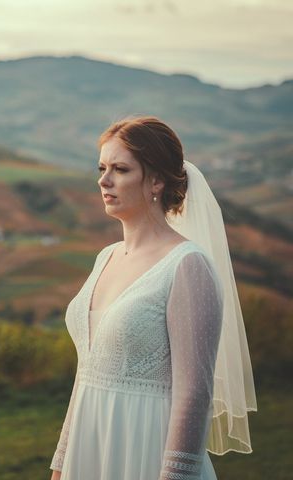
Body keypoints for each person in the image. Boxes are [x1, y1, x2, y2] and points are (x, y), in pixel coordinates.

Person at [50, 116, 256, 480]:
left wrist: (173, 475)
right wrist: (62, 464)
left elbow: (194, 393)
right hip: (89, 449)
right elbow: (86, 376)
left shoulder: (187, 266)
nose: (104, 180)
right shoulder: (106, 258)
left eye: (120, 169)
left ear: (157, 180)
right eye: (101, 168)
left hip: (146, 452)